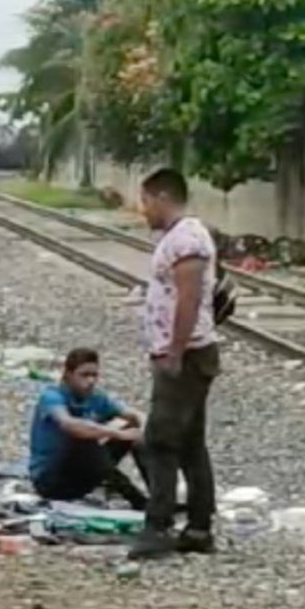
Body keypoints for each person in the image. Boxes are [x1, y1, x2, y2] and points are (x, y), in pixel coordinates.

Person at [130, 167, 221, 561]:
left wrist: (175, 352)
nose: (144, 210)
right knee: (189, 444)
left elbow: (188, 298)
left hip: (185, 355)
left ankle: (158, 527)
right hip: (185, 352)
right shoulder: (180, 237)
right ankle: (199, 527)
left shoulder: (187, 239)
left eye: (146, 201)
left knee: (161, 442)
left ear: (163, 198)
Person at [28, 348, 147, 508]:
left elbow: (130, 414)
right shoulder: (52, 397)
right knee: (85, 438)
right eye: (84, 375)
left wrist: (143, 427)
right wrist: (116, 433)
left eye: (94, 375)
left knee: (134, 430)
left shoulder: (96, 397)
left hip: (82, 474)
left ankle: (159, 496)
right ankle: (135, 498)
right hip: (52, 480)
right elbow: (69, 424)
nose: (91, 381)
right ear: (68, 375)